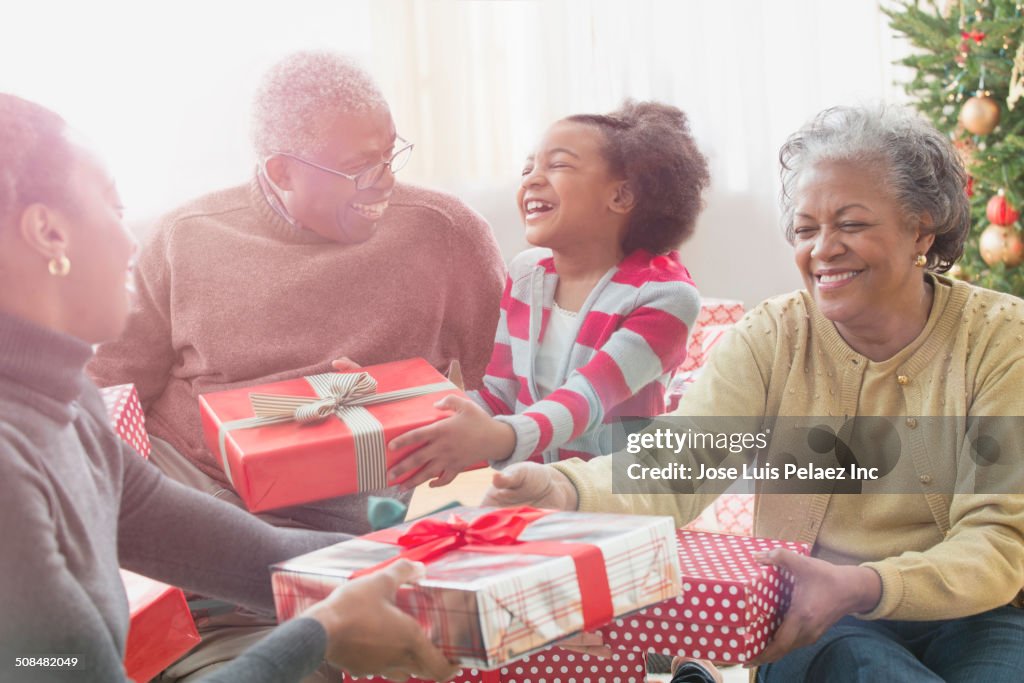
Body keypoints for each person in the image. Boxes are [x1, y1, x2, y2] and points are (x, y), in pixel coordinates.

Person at [484, 104, 1024, 681]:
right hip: (815, 617)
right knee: (864, 667)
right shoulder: (773, 337)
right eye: (807, 229)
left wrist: (867, 584)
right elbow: (679, 461)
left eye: (851, 224)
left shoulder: (1000, 339)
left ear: (922, 227)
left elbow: (996, 536)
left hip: (973, 613)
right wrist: (559, 487)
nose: (823, 250)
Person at [0, 93, 459, 683]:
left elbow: (237, 550)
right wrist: (317, 636)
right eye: (113, 210)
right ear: (48, 232)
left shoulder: (65, 404)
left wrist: (438, 556)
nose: (129, 243)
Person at [85, 51, 504, 680]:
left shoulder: (444, 234)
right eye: (360, 167)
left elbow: (516, 395)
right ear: (280, 169)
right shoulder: (183, 237)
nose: (384, 180)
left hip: (328, 544)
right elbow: (108, 394)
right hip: (175, 516)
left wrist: (465, 434)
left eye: (391, 154)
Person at [387, 101, 707, 490]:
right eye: (527, 168)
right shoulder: (526, 275)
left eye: (558, 165)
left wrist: (499, 438)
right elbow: (500, 398)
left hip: (619, 499)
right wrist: (396, 406)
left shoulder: (665, 297)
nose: (531, 180)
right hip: (533, 495)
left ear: (621, 197)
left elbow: (588, 398)